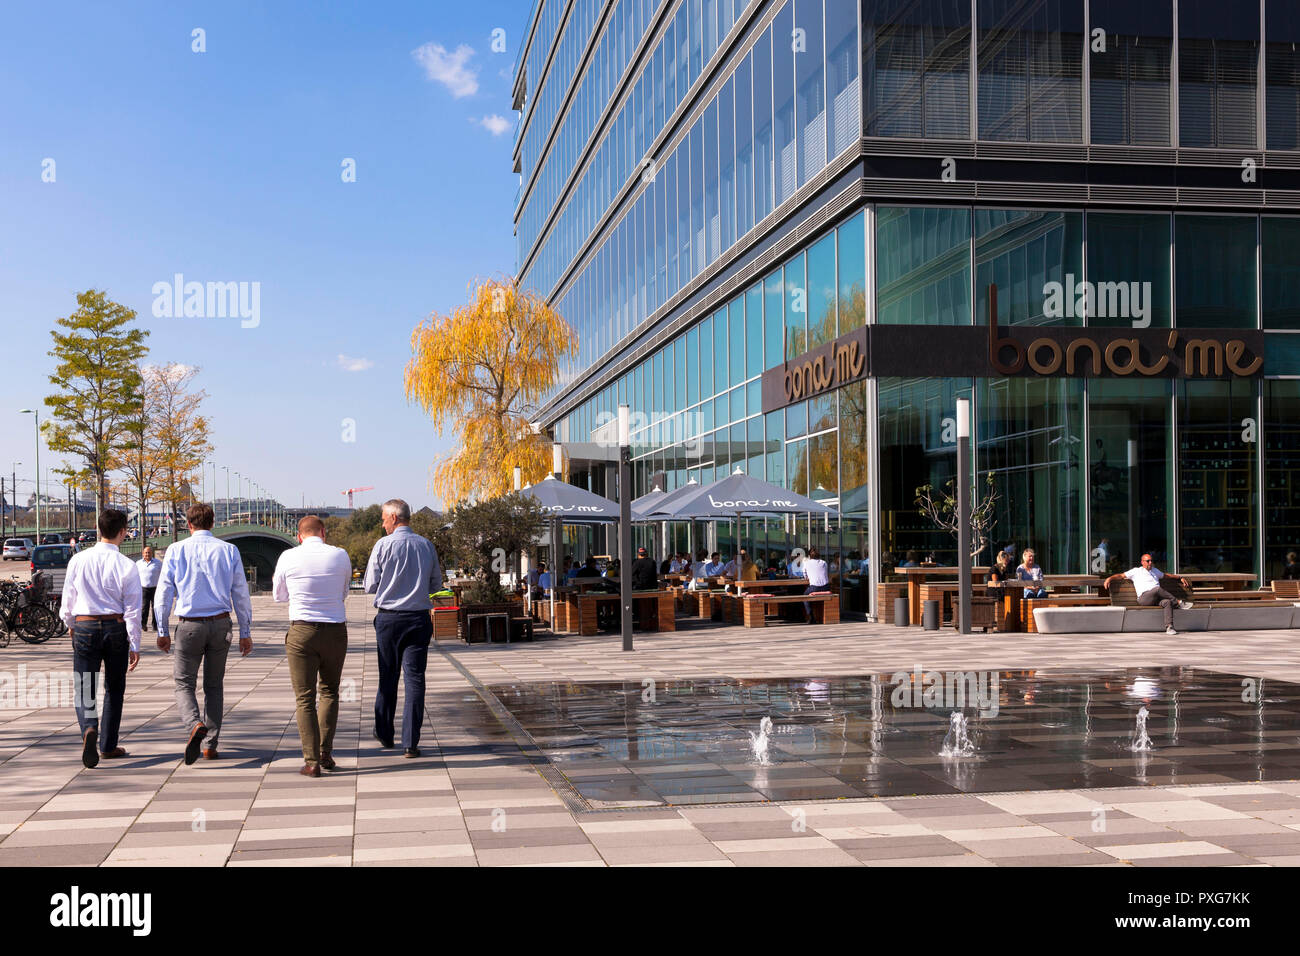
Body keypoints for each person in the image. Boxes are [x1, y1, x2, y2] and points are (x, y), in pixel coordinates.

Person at [156, 502, 253, 764]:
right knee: (214, 685)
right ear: (213, 523)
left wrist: (162, 629)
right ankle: (210, 744)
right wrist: (246, 631)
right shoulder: (229, 550)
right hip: (221, 624)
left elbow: (164, 592)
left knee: (184, 682)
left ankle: (193, 724)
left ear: (188, 524)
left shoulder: (175, 550)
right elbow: (240, 593)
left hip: (189, 625)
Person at [272, 515, 352, 778]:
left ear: (299, 535)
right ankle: (326, 752)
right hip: (335, 629)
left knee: (304, 697)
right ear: (324, 532)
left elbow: (278, 595)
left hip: (302, 631)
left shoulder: (287, 556)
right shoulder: (340, 555)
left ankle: (311, 761)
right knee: (329, 691)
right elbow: (343, 592)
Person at [61, 508, 141, 768]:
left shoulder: (78, 560)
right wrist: (135, 643)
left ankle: (88, 728)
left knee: (85, 685)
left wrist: (70, 623)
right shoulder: (127, 565)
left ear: (98, 529)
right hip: (115, 626)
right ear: (122, 532)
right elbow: (132, 608)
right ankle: (107, 745)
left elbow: (68, 600)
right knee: (114, 688)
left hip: (84, 625)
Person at [363, 498, 443, 758]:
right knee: (415, 679)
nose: (383, 523)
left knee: (388, 676)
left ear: (394, 518)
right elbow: (435, 585)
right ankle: (411, 741)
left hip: (389, 619)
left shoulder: (383, 545)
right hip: (418, 618)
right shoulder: (426, 545)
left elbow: (369, 585)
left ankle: (385, 732)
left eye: (384, 519)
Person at [1105, 554, 1193, 635]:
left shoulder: (1155, 571)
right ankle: (1178, 602)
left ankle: (1169, 627)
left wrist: (1180, 578)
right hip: (1144, 599)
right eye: (1148, 561)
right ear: (1142, 562)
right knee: (1157, 589)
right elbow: (1121, 575)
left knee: (1167, 602)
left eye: (1151, 561)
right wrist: (1109, 578)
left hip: (1156, 598)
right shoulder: (1136, 571)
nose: (1150, 563)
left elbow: (1166, 576)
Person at [136, 545, 162, 632]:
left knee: (155, 608)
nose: (147, 554)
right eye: (146, 553)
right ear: (143, 554)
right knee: (144, 608)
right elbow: (134, 576)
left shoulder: (158, 563)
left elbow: (163, 575)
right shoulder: (138, 563)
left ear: (152, 553)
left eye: (149, 552)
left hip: (155, 588)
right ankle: (143, 624)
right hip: (143, 589)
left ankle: (155, 625)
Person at [802, 547, 831, 620]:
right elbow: (825, 573)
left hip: (815, 587)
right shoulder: (824, 562)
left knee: (804, 597)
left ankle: (810, 615)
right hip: (826, 587)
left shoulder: (806, 563)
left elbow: (805, 575)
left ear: (809, 556)